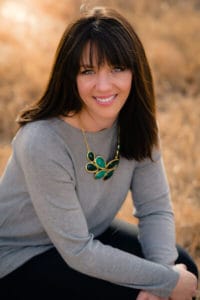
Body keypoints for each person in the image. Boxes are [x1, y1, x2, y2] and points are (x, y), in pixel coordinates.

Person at [0, 6, 198, 300]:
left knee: (186, 269)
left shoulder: (137, 124)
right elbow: (78, 250)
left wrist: (162, 280)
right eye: (88, 71)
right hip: (21, 257)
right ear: (70, 76)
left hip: (88, 235)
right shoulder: (42, 141)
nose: (104, 85)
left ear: (135, 69)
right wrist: (165, 282)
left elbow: (154, 209)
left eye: (117, 68)